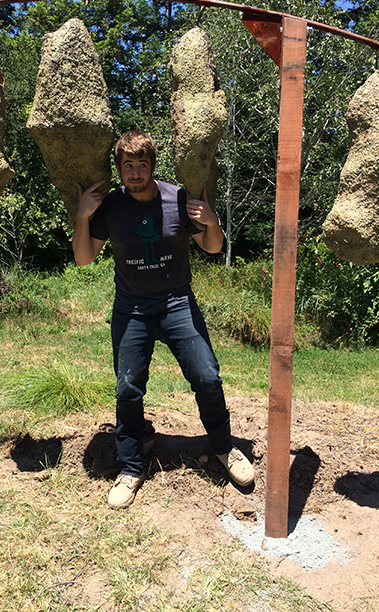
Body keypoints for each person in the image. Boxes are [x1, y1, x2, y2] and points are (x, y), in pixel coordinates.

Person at [72, 130, 254, 508]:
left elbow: (213, 247)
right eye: (128, 166)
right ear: (119, 168)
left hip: (177, 305)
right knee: (128, 388)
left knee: (206, 375)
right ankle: (130, 467)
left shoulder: (178, 198)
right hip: (131, 310)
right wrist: (83, 216)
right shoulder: (111, 205)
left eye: (142, 165)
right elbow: (83, 258)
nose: (135, 173)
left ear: (153, 166)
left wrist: (212, 222)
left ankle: (225, 449)